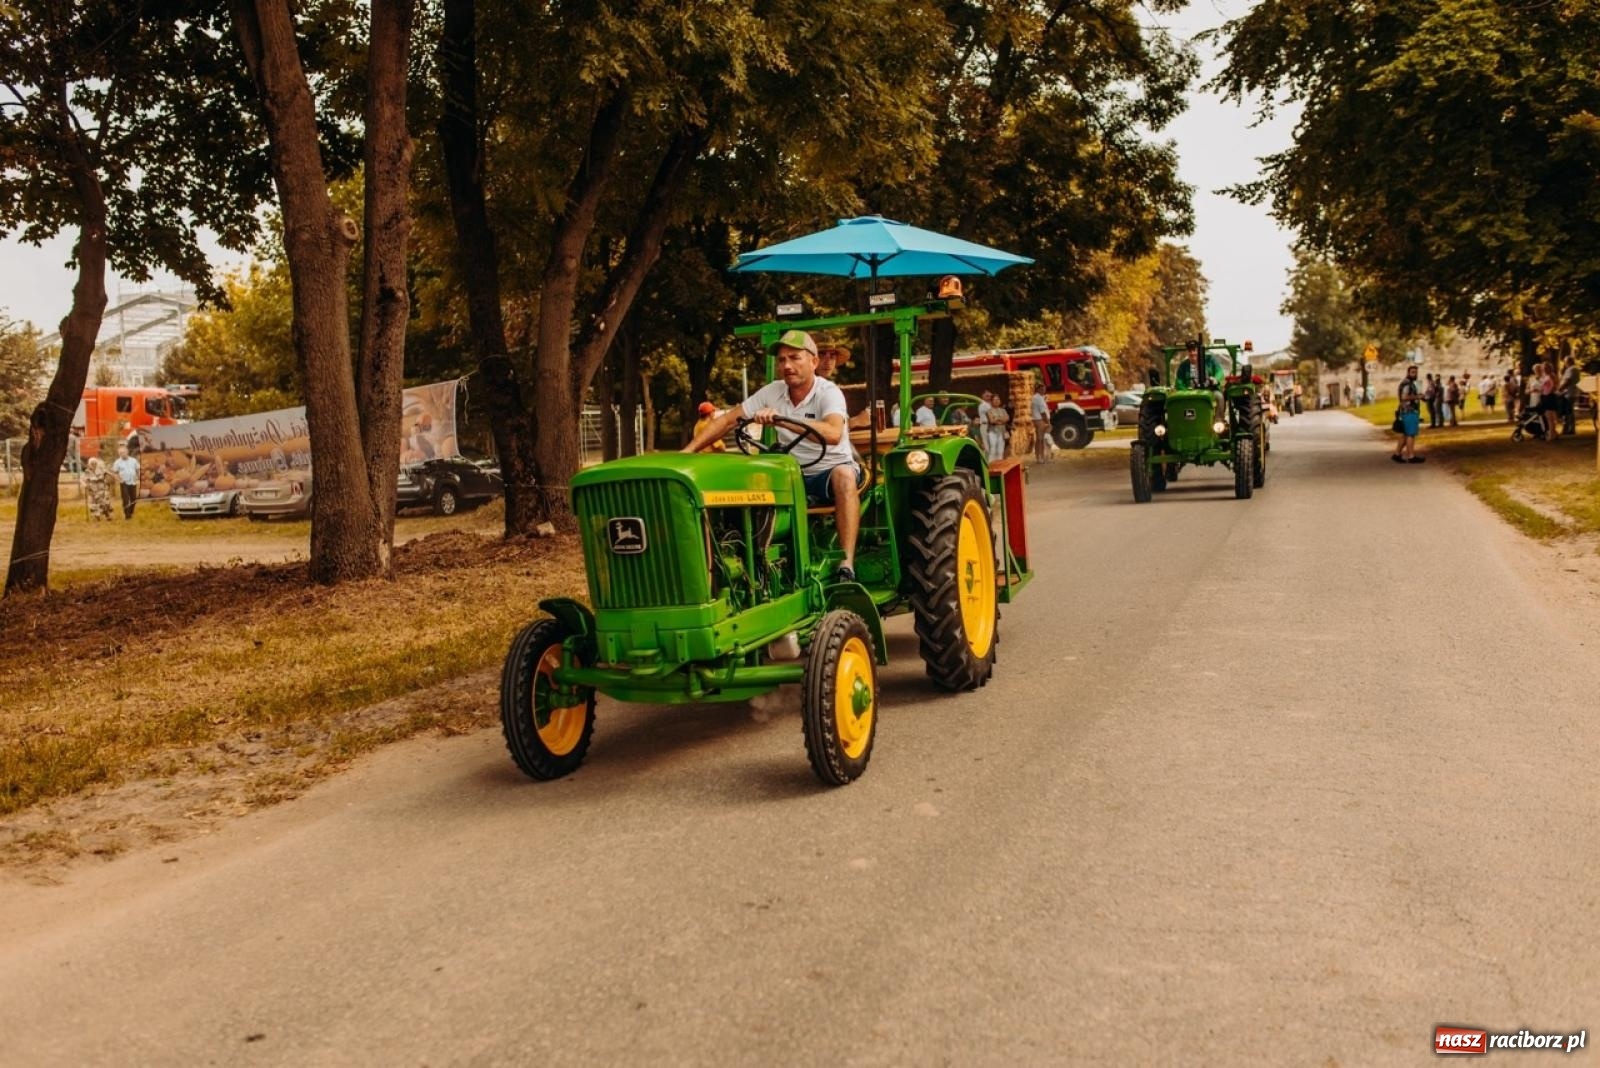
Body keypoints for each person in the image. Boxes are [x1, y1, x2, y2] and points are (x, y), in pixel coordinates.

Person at [682, 329, 863, 580]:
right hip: (792, 473)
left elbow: (832, 433)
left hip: (828, 472)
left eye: (794, 357)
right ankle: (746, 562)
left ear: (813, 361)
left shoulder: (828, 392)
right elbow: (726, 421)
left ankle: (846, 563)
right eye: (781, 360)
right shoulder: (772, 392)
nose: (787, 365)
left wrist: (784, 420)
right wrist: (688, 452)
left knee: (844, 475)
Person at [1393, 364, 1424, 463]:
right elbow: (1404, 397)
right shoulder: (1407, 384)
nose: (1415, 374)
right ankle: (1411, 456)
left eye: (1416, 372)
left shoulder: (1408, 383)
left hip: (1405, 411)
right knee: (1411, 434)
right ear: (1408, 373)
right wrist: (1417, 397)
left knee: (1405, 434)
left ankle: (1397, 454)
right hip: (1409, 411)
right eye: (1413, 372)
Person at [110, 443, 140, 519]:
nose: (122, 454)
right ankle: (127, 516)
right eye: (120, 453)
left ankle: (131, 512)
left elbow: (138, 470)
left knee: (134, 499)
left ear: (127, 452)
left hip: (133, 482)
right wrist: (119, 480)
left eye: (123, 452)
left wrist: (138, 477)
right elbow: (114, 473)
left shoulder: (133, 460)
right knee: (126, 499)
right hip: (124, 483)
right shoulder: (117, 462)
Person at [81, 454, 115, 521]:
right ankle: (97, 517)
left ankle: (107, 515)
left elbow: (110, 474)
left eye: (94, 463)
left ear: (96, 464)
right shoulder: (87, 472)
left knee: (104, 503)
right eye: (92, 463)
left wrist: (114, 477)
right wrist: (84, 484)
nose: (93, 464)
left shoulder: (101, 470)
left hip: (102, 490)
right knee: (94, 504)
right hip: (92, 491)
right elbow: (82, 479)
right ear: (89, 464)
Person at [1029, 381, 1051, 462]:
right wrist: (1048, 422)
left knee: (1039, 439)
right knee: (1041, 439)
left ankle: (1040, 456)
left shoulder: (1038, 397)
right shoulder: (1038, 398)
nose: (1044, 390)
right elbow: (1042, 412)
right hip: (1040, 420)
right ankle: (1040, 457)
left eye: (1044, 389)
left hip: (1038, 419)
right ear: (1038, 389)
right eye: (1042, 389)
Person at [1559, 356, 1581, 436]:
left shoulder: (1572, 369)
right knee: (1569, 411)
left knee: (1568, 411)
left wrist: (1560, 389)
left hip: (1569, 393)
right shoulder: (1573, 369)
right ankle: (1569, 428)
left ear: (1568, 361)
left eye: (1565, 361)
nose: (1564, 363)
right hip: (1570, 393)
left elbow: (1568, 381)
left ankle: (1569, 428)